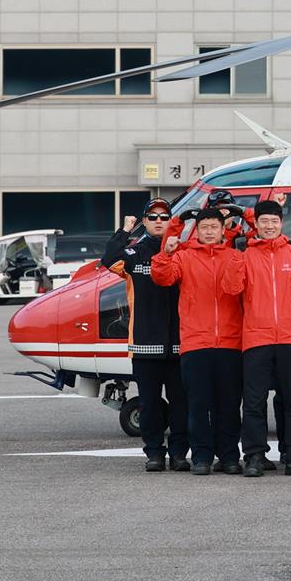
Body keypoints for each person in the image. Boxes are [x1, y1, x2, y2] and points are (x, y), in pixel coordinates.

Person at [151, 210, 246, 475]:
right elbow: (163, 277)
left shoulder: (235, 256)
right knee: (198, 404)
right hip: (195, 342)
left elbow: (237, 289)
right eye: (203, 227)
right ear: (197, 230)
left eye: (213, 227)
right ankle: (202, 457)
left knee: (228, 405)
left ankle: (229, 457)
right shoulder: (184, 256)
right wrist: (166, 251)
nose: (208, 232)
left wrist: (238, 249)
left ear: (222, 229)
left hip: (230, 342)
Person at [104, 199, 189, 472]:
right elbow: (108, 260)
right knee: (150, 405)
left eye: (164, 216)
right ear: (145, 221)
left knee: (181, 405)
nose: (158, 221)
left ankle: (178, 454)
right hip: (144, 345)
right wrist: (125, 230)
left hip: (180, 345)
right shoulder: (133, 254)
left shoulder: (183, 252)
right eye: (152, 217)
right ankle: (154, 453)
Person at [235, 200, 291, 477]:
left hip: (290, 338)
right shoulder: (245, 255)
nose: (269, 226)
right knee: (254, 401)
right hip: (256, 338)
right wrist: (236, 255)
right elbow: (230, 288)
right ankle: (255, 456)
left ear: (282, 223)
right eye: (264, 221)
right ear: (256, 224)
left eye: (274, 221)